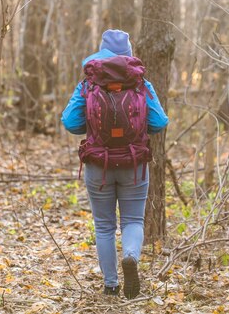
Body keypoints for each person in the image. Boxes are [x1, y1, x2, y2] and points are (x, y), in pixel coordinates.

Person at [61, 29, 169, 299]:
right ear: (128, 52)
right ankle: (130, 256)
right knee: (133, 220)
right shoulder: (139, 80)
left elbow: (70, 122)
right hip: (134, 164)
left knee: (104, 225)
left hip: (99, 163)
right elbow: (159, 122)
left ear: (101, 50)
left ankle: (110, 286)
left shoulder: (89, 81)